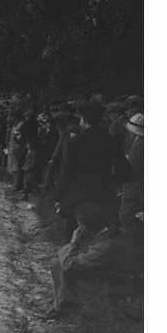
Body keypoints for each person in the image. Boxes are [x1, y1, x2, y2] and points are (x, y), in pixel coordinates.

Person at [41, 203, 142, 320]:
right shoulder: (120, 232)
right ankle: (61, 301)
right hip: (129, 280)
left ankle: (63, 307)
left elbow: (71, 266)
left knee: (58, 264)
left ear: (84, 227)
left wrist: (73, 243)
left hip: (117, 287)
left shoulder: (104, 247)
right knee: (64, 262)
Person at [55, 101, 130, 240]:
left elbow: (65, 172)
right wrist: (113, 183)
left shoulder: (75, 142)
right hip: (103, 194)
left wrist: (59, 196)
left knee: (74, 233)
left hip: (78, 194)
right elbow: (124, 171)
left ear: (83, 119)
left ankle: (70, 257)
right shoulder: (112, 141)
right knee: (103, 235)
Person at [118, 113, 144, 229]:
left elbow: (133, 167)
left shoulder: (139, 145)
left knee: (125, 216)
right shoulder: (138, 141)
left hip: (135, 187)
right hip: (138, 185)